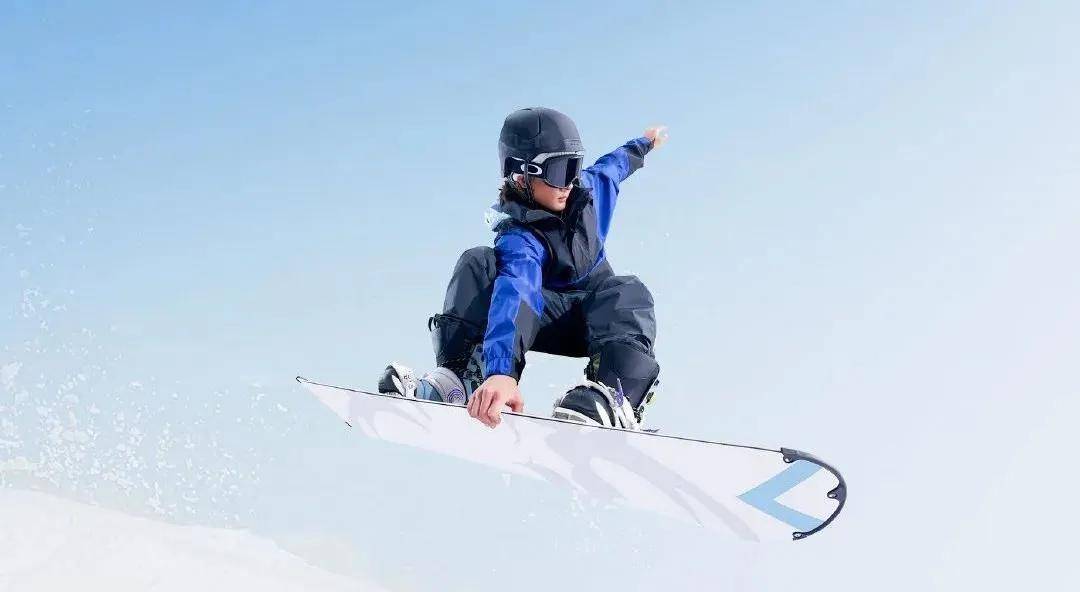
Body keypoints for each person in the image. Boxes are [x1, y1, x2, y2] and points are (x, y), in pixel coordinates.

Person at [378, 107, 668, 430]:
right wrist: (502, 372)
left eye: (575, 165)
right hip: (539, 318)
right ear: (522, 174)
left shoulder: (591, 189)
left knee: (628, 291)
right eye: (560, 170)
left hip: (595, 320)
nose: (569, 182)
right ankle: (458, 380)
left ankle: (615, 397)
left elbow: (617, 163)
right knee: (477, 264)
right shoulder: (520, 237)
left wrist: (645, 143)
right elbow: (518, 292)